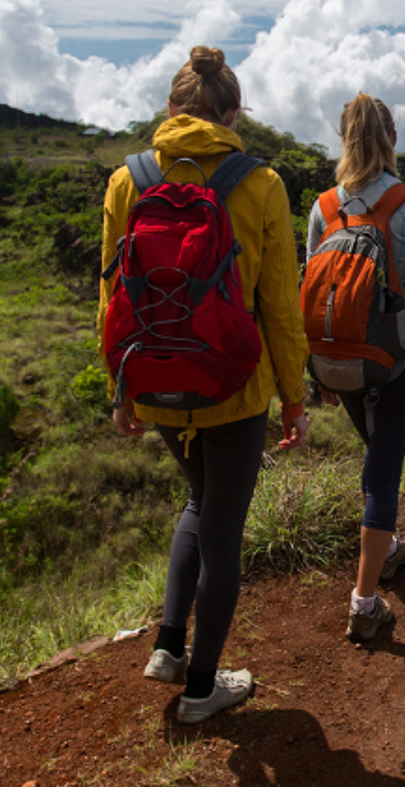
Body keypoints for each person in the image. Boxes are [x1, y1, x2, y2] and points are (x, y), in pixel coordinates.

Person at [98, 46, 309, 725]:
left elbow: (109, 298)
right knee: (223, 529)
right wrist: (294, 397)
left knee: (198, 498)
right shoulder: (262, 183)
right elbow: (280, 305)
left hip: (156, 380)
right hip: (233, 388)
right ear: (234, 114)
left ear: (171, 108)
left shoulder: (126, 181)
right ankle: (201, 689)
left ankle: (168, 646)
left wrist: (120, 388)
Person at [305, 94, 405, 643]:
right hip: (397, 361)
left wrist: (319, 363)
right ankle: (364, 602)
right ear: (393, 138)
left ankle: (385, 548)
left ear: (344, 139)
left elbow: (310, 289)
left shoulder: (323, 208)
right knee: (383, 474)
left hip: (337, 359)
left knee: (375, 456)